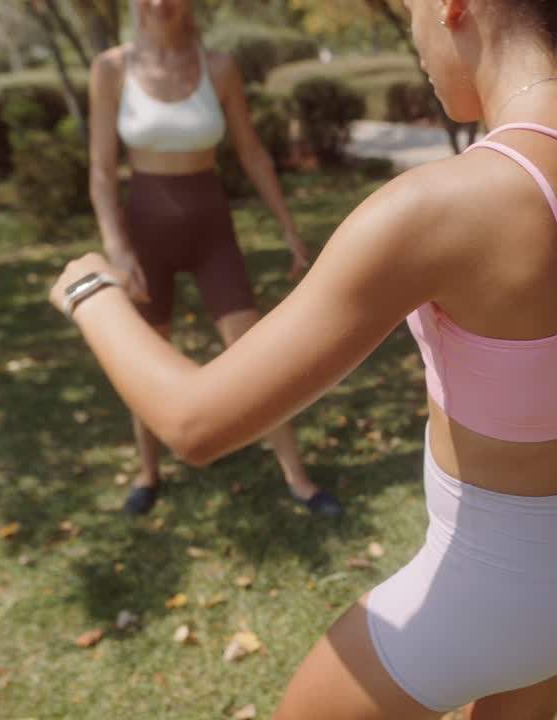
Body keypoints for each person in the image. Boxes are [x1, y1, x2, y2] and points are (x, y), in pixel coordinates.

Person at [53, 0, 557, 716]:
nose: (413, 33)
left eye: (412, 12)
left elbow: (195, 423)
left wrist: (93, 293)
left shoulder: (437, 208)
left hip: (496, 589)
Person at [86, 0, 342, 516]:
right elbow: (100, 171)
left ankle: (298, 478)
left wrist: (289, 229)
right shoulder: (111, 68)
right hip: (144, 233)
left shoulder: (219, 65)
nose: (157, 3)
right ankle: (148, 473)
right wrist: (118, 248)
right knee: (147, 353)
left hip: (211, 230)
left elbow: (251, 152)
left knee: (254, 355)